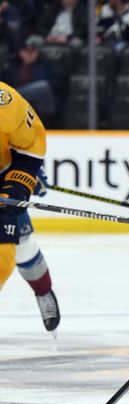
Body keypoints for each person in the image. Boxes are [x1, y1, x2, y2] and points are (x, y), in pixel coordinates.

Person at [0, 81, 61, 334]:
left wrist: (21, 179)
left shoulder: (4, 101)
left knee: (20, 245)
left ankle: (43, 290)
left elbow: (30, 146)